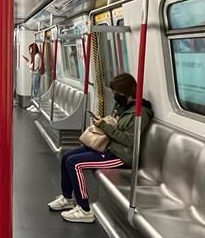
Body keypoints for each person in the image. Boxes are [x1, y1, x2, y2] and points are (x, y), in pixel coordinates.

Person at [47, 72, 153, 224]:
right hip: (109, 147)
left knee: (75, 164)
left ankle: (85, 210)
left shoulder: (140, 113)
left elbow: (129, 140)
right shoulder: (123, 107)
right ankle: (67, 198)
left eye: (117, 93)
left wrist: (104, 126)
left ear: (127, 93)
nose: (115, 96)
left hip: (121, 156)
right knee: (66, 157)